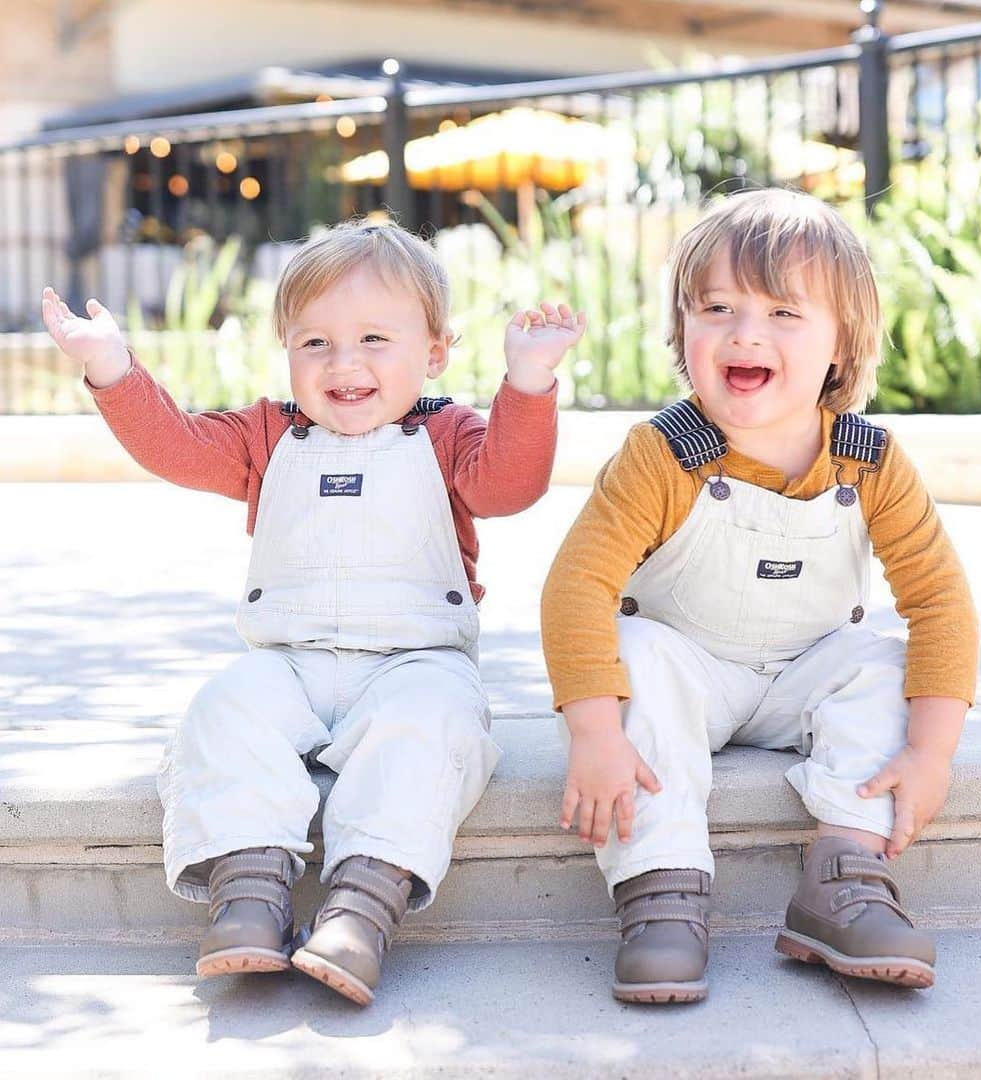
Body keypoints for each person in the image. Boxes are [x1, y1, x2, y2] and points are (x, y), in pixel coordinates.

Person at [42, 219, 585, 1006]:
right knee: (223, 712)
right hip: (287, 664)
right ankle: (249, 891)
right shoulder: (269, 434)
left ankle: (362, 907)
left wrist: (528, 383)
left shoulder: (446, 433)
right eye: (316, 343)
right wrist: (110, 366)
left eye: (373, 338)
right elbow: (179, 447)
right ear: (288, 351)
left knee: (431, 731)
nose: (345, 363)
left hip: (415, 662)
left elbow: (510, 485)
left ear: (433, 353)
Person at [540, 188, 978, 1003]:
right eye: (717, 307)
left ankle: (844, 877)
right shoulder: (663, 453)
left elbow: (941, 604)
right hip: (690, 677)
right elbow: (577, 589)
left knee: (880, 663)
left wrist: (931, 753)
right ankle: (661, 889)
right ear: (683, 331)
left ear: (841, 344)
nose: (746, 333)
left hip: (800, 677)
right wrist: (594, 732)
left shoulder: (868, 461)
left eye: (784, 312)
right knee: (633, 655)